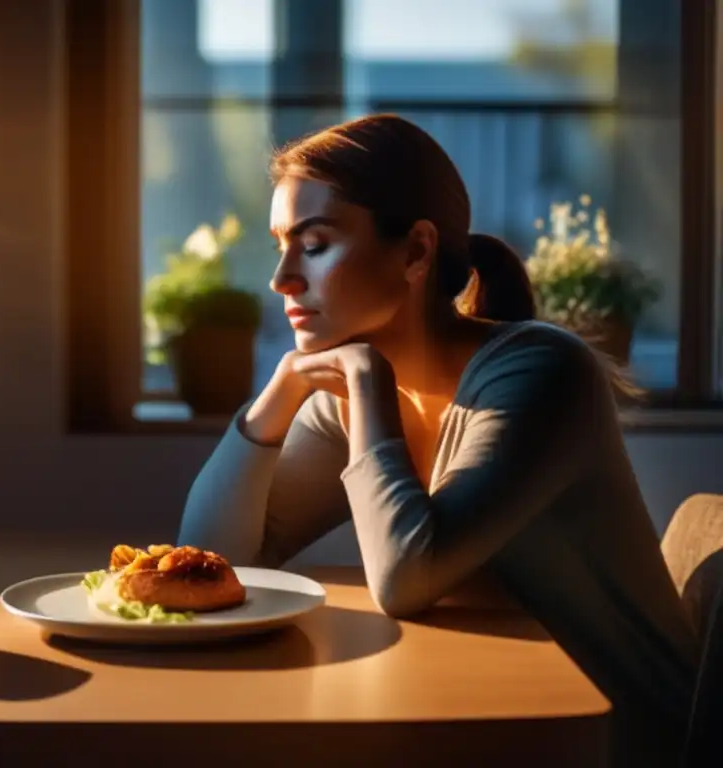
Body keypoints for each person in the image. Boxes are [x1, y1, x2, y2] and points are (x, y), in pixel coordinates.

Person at [177, 114, 699, 765]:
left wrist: (368, 382)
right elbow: (208, 560)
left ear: (417, 252)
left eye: (313, 245)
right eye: (281, 245)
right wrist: (279, 395)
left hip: (624, 739)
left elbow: (407, 579)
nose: (281, 278)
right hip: (503, 722)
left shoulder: (540, 371)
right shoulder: (344, 398)